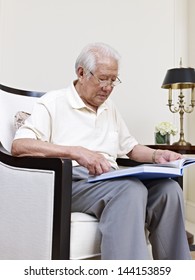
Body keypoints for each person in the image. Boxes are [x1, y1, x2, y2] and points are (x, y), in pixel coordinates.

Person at [11, 42, 191, 260]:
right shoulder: (53, 103)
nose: (108, 87)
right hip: (71, 182)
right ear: (81, 73)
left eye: (113, 80)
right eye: (103, 78)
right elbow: (20, 146)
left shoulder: (109, 108)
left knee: (168, 191)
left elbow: (131, 148)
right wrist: (77, 152)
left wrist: (157, 155)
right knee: (130, 190)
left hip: (112, 178)